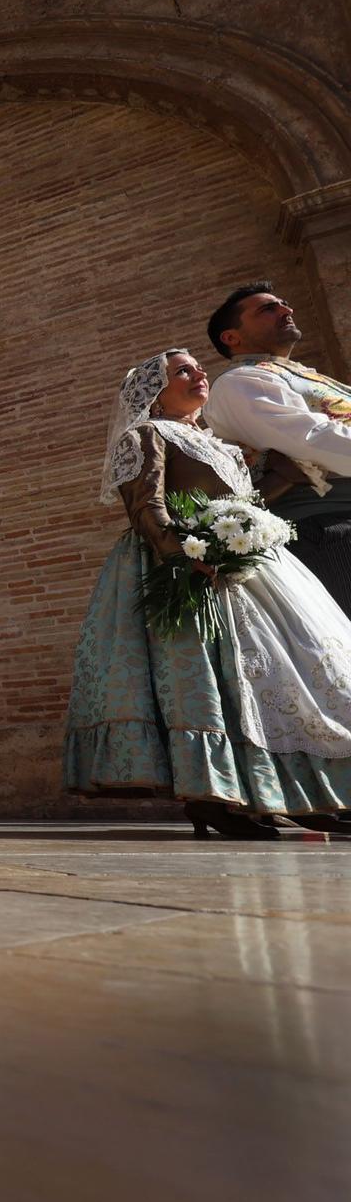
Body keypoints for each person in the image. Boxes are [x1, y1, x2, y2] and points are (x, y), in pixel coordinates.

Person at [65, 349, 351, 837]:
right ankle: (213, 800)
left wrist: (277, 483)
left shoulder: (217, 442)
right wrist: (180, 558)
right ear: (154, 393)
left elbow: (241, 506)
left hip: (254, 568)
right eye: (183, 371)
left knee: (288, 675)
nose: (199, 374)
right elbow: (145, 503)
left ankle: (300, 796)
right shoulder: (148, 434)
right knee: (213, 684)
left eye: (199, 367)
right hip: (190, 566)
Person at [201, 282, 351, 613]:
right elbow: (311, 438)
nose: (287, 310)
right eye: (268, 309)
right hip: (328, 526)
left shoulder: (296, 375)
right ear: (232, 337)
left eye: (284, 303)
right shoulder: (239, 382)